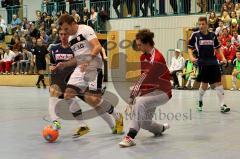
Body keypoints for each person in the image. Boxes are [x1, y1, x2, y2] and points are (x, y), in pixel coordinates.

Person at [54, 14, 123, 138]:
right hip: (81, 68)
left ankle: (117, 116)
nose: (64, 32)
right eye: (62, 30)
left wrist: (87, 60)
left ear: (73, 23)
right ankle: (83, 125)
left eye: (66, 28)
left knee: (94, 100)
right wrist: (64, 64)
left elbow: (97, 46)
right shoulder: (70, 39)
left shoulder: (85, 29)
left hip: (93, 66)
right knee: (68, 95)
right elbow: (78, 58)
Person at [119, 29, 171, 147]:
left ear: (147, 43)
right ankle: (161, 128)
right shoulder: (143, 57)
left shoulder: (156, 58)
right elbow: (144, 79)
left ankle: (130, 136)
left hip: (163, 92)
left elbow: (144, 78)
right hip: (151, 91)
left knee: (140, 102)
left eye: (139, 45)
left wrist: (133, 96)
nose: (138, 47)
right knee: (144, 123)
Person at [188, 17, 230, 113]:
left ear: (207, 25)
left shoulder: (213, 35)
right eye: (200, 24)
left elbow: (218, 47)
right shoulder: (195, 35)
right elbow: (190, 48)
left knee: (218, 82)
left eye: (203, 24)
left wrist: (223, 57)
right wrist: (191, 57)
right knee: (205, 84)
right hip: (202, 62)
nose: (201, 26)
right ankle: (200, 100)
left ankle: (222, 105)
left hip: (213, 62)